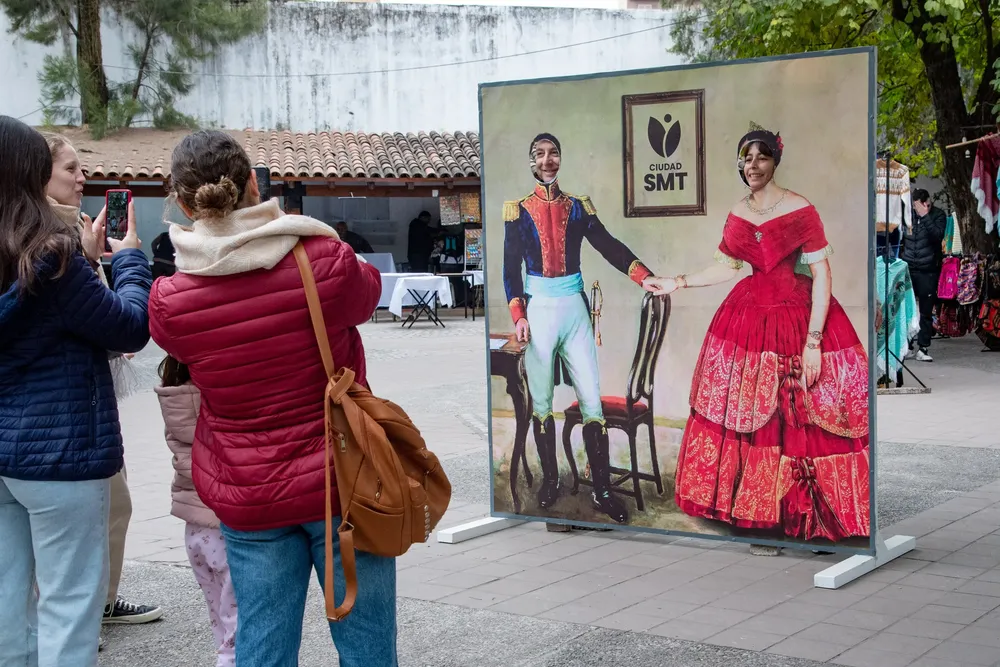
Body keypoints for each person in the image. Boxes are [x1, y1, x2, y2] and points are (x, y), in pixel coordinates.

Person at [147, 130, 393, 666]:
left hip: (249, 493)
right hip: (341, 478)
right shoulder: (323, 258)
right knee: (367, 645)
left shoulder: (171, 300)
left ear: (184, 204)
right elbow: (369, 292)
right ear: (254, 184)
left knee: (262, 644)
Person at [666, 122, 870, 543]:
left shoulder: (800, 208)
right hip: (748, 315)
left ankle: (801, 509)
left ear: (775, 161)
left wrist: (813, 343)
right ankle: (756, 506)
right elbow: (726, 266)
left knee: (799, 413)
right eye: (747, 157)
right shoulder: (739, 212)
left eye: (762, 156)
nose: (753, 164)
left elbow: (822, 274)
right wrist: (678, 281)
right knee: (747, 408)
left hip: (796, 313)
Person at [0, 116, 152, 665]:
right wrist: (129, 259)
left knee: (7, 606)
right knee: (68, 605)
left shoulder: (47, 256)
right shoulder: (52, 256)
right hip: (59, 456)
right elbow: (128, 327)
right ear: (29, 173)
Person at [502, 132, 667, 524]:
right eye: (539, 154)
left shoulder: (578, 207)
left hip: (575, 308)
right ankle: (550, 483)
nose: (547, 160)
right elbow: (510, 269)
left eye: (553, 153)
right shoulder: (517, 210)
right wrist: (519, 316)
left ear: (561, 159)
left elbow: (608, 245)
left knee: (591, 399)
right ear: (531, 162)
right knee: (540, 401)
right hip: (538, 308)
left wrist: (643, 277)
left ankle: (604, 491)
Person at [41, 131, 163, 626]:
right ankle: (87, 616)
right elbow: (122, 325)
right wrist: (126, 259)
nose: (81, 177)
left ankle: (92, 607)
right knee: (93, 516)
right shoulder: (51, 241)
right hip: (65, 414)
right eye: (70, 169)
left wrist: (93, 258)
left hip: (59, 411)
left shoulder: (66, 233)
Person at [155, 357, 236, 667]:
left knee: (220, 617)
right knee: (241, 624)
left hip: (195, 527)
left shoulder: (174, 394)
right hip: (224, 524)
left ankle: (225, 658)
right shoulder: (217, 395)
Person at [901, 188, 947, 362]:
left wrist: (925, 216)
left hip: (928, 269)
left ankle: (924, 347)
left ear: (928, 202)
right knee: (905, 309)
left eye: (923, 205)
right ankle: (906, 345)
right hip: (908, 267)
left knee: (926, 311)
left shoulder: (938, 215)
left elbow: (937, 236)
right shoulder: (908, 215)